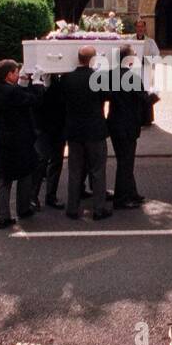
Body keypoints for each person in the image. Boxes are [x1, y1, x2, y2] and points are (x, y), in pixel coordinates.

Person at [0, 60, 44, 229]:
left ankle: (3, 216)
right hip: (19, 140)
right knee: (25, 174)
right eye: (16, 72)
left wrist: (23, 83)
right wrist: (37, 83)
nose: (17, 74)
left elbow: (18, 95)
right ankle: (23, 208)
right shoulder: (12, 92)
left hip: (2, 138)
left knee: (4, 178)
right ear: (9, 75)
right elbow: (34, 100)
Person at [61, 45, 111, 220]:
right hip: (95, 131)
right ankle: (98, 209)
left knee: (75, 171)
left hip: (74, 131)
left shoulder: (66, 78)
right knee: (97, 170)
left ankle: (72, 208)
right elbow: (107, 96)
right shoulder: (97, 78)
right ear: (92, 59)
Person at [107, 46, 147, 209]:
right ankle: (121, 198)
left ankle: (132, 193)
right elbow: (144, 100)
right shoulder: (133, 78)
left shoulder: (110, 75)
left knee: (124, 160)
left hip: (114, 123)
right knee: (126, 162)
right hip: (128, 125)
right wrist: (156, 96)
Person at [33, 72, 66, 209]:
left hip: (59, 126)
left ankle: (51, 196)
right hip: (43, 126)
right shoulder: (37, 76)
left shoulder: (65, 75)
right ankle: (32, 197)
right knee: (41, 160)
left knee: (56, 161)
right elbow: (35, 102)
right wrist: (43, 86)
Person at [133, 20, 162, 126]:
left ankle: (147, 119)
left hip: (146, 71)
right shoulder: (130, 40)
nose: (140, 29)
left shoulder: (150, 42)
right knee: (134, 94)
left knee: (146, 93)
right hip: (134, 72)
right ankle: (135, 117)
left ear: (145, 28)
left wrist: (147, 60)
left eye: (142, 27)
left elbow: (157, 56)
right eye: (138, 26)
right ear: (135, 28)